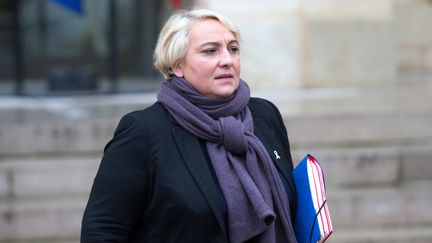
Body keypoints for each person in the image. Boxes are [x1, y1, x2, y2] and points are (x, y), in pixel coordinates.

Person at [81, 9, 298, 243]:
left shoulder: (264, 115)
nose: (227, 60)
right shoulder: (143, 131)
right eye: (210, 51)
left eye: (233, 49)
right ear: (177, 66)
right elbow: (102, 231)